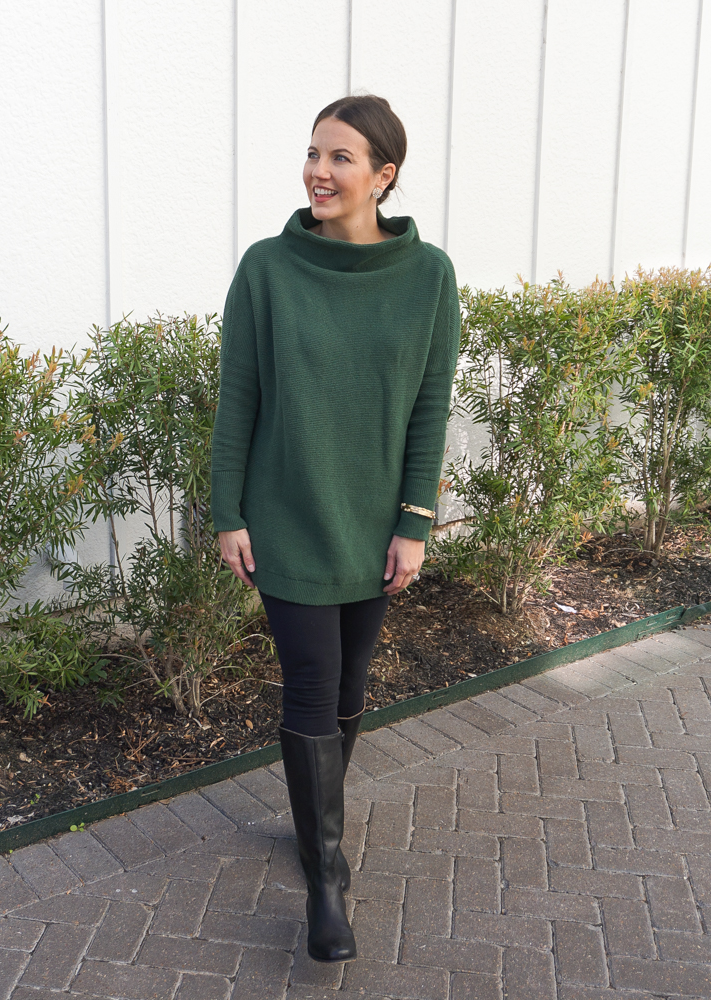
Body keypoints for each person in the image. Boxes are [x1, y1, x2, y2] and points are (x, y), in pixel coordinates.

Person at [211, 94, 460, 963]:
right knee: (313, 686)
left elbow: (430, 405)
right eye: (313, 153)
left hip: (375, 522)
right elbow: (238, 392)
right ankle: (325, 876)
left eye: (341, 157)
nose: (319, 170)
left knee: (353, 685)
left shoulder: (428, 275)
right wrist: (227, 511)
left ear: (383, 175)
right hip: (287, 517)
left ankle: (314, 819)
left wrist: (415, 521)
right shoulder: (267, 268)